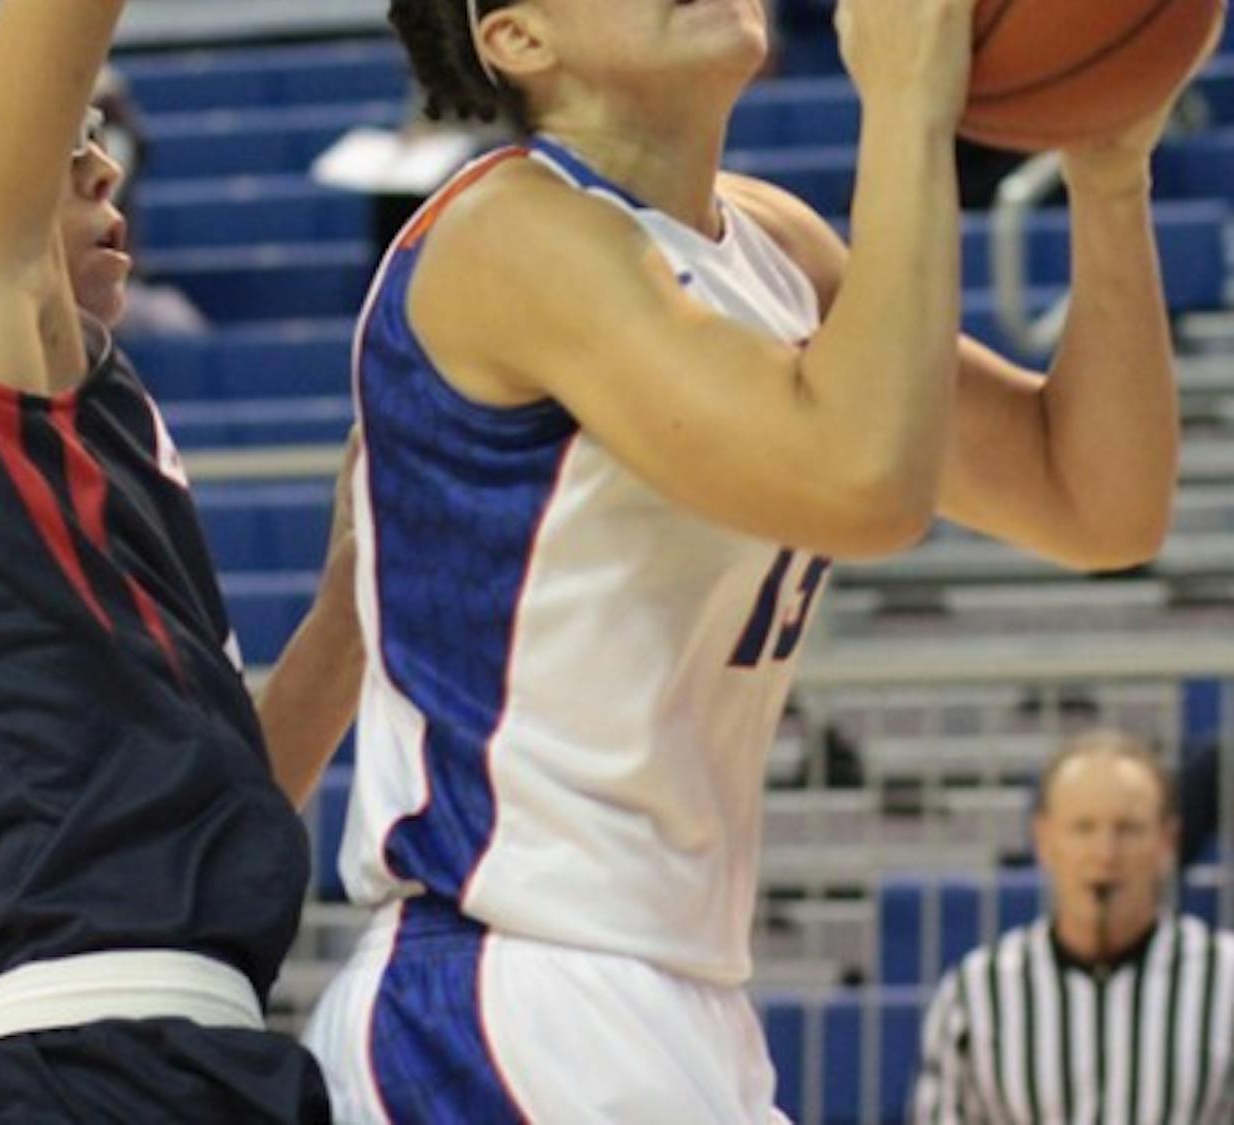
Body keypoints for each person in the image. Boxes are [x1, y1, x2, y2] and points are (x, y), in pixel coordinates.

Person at [300, 0, 1212, 1119]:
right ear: (520, 38)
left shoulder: (771, 247)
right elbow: (865, 485)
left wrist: (1109, 174)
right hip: (505, 984)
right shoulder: (507, 232)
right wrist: (907, 112)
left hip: (672, 997)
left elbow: (1098, 504)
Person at [0, 6, 360, 1122]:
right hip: (78, 1066)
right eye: (62, 130)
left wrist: (345, 614)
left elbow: (184, 818)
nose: (98, 160)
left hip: (85, 1050)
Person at [912, 731, 1234, 1124]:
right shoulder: (977, 993)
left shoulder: (1225, 980)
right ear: (1044, 840)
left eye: (1128, 829)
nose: (1105, 854)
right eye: (1083, 828)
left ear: (1167, 841)